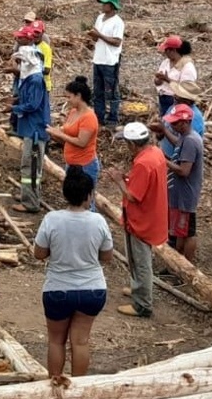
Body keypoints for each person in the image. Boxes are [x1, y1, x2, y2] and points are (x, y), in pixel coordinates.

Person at [33, 166, 113, 380]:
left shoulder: (52, 219)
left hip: (58, 288)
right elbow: (107, 256)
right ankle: (79, 387)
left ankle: (55, 384)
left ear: (65, 194)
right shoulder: (98, 221)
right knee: (80, 341)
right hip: (92, 289)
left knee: (56, 340)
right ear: (89, 195)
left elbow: (39, 253)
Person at [107, 121, 167, 318]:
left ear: (132, 144)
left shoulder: (143, 163)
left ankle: (143, 304)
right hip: (151, 213)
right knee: (137, 258)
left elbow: (133, 195)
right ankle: (137, 287)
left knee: (141, 261)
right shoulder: (155, 153)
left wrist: (118, 180)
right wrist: (126, 177)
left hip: (141, 219)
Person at [11, 45, 50, 213]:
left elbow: (32, 104)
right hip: (31, 128)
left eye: (21, 61)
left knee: (31, 167)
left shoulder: (35, 80)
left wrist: (14, 108)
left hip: (34, 130)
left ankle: (31, 202)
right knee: (30, 165)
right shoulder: (31, 78)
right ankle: (27, 194)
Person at [164, 104, 205, 261]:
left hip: (186, 195)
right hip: (179, 193)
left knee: (188, 232)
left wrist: (164, 161)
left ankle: (188, 265)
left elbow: (184, 170)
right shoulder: (184, 137)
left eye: (175, 123)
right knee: (181, 231)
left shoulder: (190, 142)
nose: (172, 125)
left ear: (185, 122)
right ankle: (179, 261)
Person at [49, 76, 101, 188]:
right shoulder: (73, 112)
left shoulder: (89, 117)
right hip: (71, 163)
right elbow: (67, 130)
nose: (67, 100)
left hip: (85, 165)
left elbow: (82, 142)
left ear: (78, 96)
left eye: (69, 97)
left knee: (85, 200)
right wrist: (55, 132)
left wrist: (60, 134)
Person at [91, 0, 124, 127]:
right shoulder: (100, 18)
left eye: (105, 3)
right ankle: (99, 116)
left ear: (112, 6)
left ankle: (113, 117)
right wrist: (94, 35)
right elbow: (96, 37)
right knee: (98, 90)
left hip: (110, 61)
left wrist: (99, 35)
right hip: (98, 58)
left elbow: (117, 41)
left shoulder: (118, 22)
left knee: (111, 90)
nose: (103, 6)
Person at [155, 36, 198, 116]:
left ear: (173, 50)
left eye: (166, 50)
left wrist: (167, 79)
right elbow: (157, 82)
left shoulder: (187, 67)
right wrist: (158, 79)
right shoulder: (166, 62)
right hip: (163, 98)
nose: (164, 52)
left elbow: (186, 89)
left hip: (177, 101)